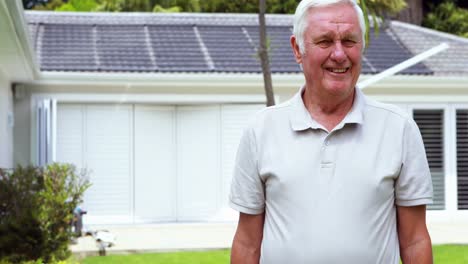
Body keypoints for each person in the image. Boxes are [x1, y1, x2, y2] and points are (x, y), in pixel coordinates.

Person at [229, 0, 434, 263]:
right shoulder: (261, 131)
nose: (339, 54)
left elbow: (415, 239)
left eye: (349, 41)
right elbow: (247, 243)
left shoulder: (399, 128)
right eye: (325, 41)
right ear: (297, 49)